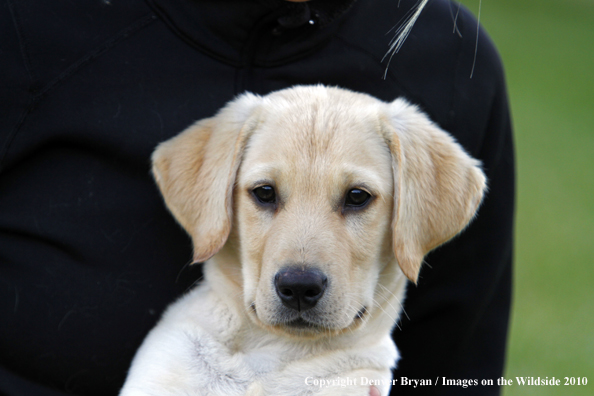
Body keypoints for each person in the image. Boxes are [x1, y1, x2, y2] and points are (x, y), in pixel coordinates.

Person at [0, 0, 514, 395]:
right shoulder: (26, 28)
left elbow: (458, 373)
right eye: (265, 194)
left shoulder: (450, 57)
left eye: (356, 198)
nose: (301, 269)